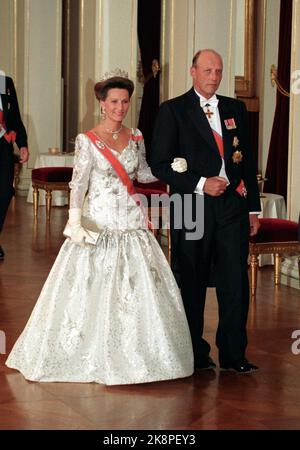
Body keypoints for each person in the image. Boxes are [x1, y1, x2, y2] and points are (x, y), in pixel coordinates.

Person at [6, 71, 194, 385]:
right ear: (102, 104)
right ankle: (91, 352)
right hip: (100, 222)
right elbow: (78, 185)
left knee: (138, 288)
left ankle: (142, 356)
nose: (120, 107)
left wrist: (173, 168)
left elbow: (143, 174)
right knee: (89, 288)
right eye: (114, 102)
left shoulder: (135, 136)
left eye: (125, 101)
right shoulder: (87, 140)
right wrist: (75, 221)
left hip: (131, 222)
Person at [150, 49, 261, 374]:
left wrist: (253, 207)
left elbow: (248, 160)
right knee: (192, 278)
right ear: (193, 71)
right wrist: (200, 183)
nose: (214, 76)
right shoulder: (173, 111)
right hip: (190, 204)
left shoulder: (235, 108)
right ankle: (194, 354)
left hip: (231, 206)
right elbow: (160, 163)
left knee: (234, 280)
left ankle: (233, 354)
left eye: (219, 71)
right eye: (208, 70)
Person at [0, 73, 29, 260]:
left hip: (3, 145)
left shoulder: (3, 80)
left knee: (4, 192)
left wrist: (22, 143)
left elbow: (14, 115)